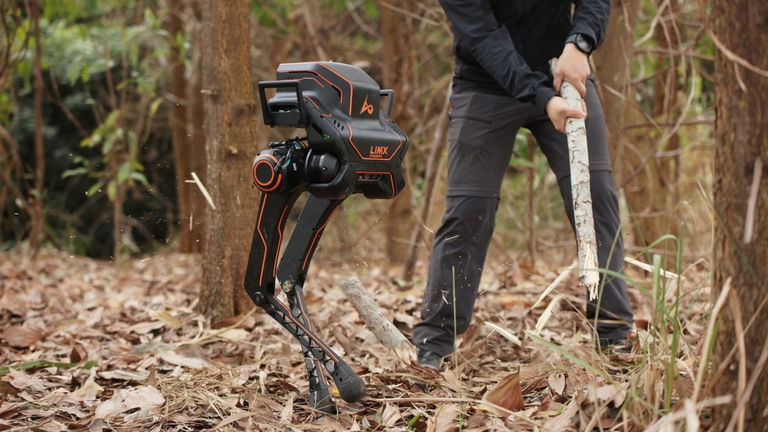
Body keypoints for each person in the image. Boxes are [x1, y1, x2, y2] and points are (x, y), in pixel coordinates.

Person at [413, 0, 635, 370]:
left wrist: (579, 43)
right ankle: (434, 345)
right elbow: (483, 39)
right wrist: (542, 98)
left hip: (563, 75)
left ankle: (613, 335)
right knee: (469, 212)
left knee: (595, 197)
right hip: (485, 83)